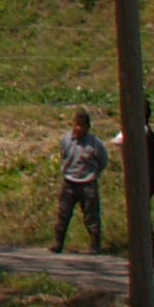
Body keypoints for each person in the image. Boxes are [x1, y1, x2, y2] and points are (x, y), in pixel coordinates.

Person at [53, 108, 108, 252]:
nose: (78, 128)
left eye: (82, 126)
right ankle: (58, 243)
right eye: (76, 125)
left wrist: (94, 174)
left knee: (91, 215)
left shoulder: (95, 143)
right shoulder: (66, 139)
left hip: (88, 183)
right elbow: (63, 155)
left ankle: (95, 245)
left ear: (88, 127)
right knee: (63, 214)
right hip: (69, 182)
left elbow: (103, 160)